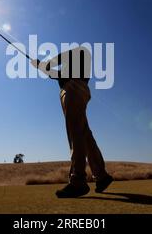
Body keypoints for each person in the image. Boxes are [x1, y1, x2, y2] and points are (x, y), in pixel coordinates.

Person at [31, 47, 113, 198]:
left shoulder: (80, 52)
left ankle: (78, 181)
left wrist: (46, 64)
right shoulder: (69, 70)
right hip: (73, 89)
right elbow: (56, 75)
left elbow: (59, 62)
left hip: (73, 89)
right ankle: (101, 175)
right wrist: (41, 66)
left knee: (75, 134)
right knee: (84, 134)